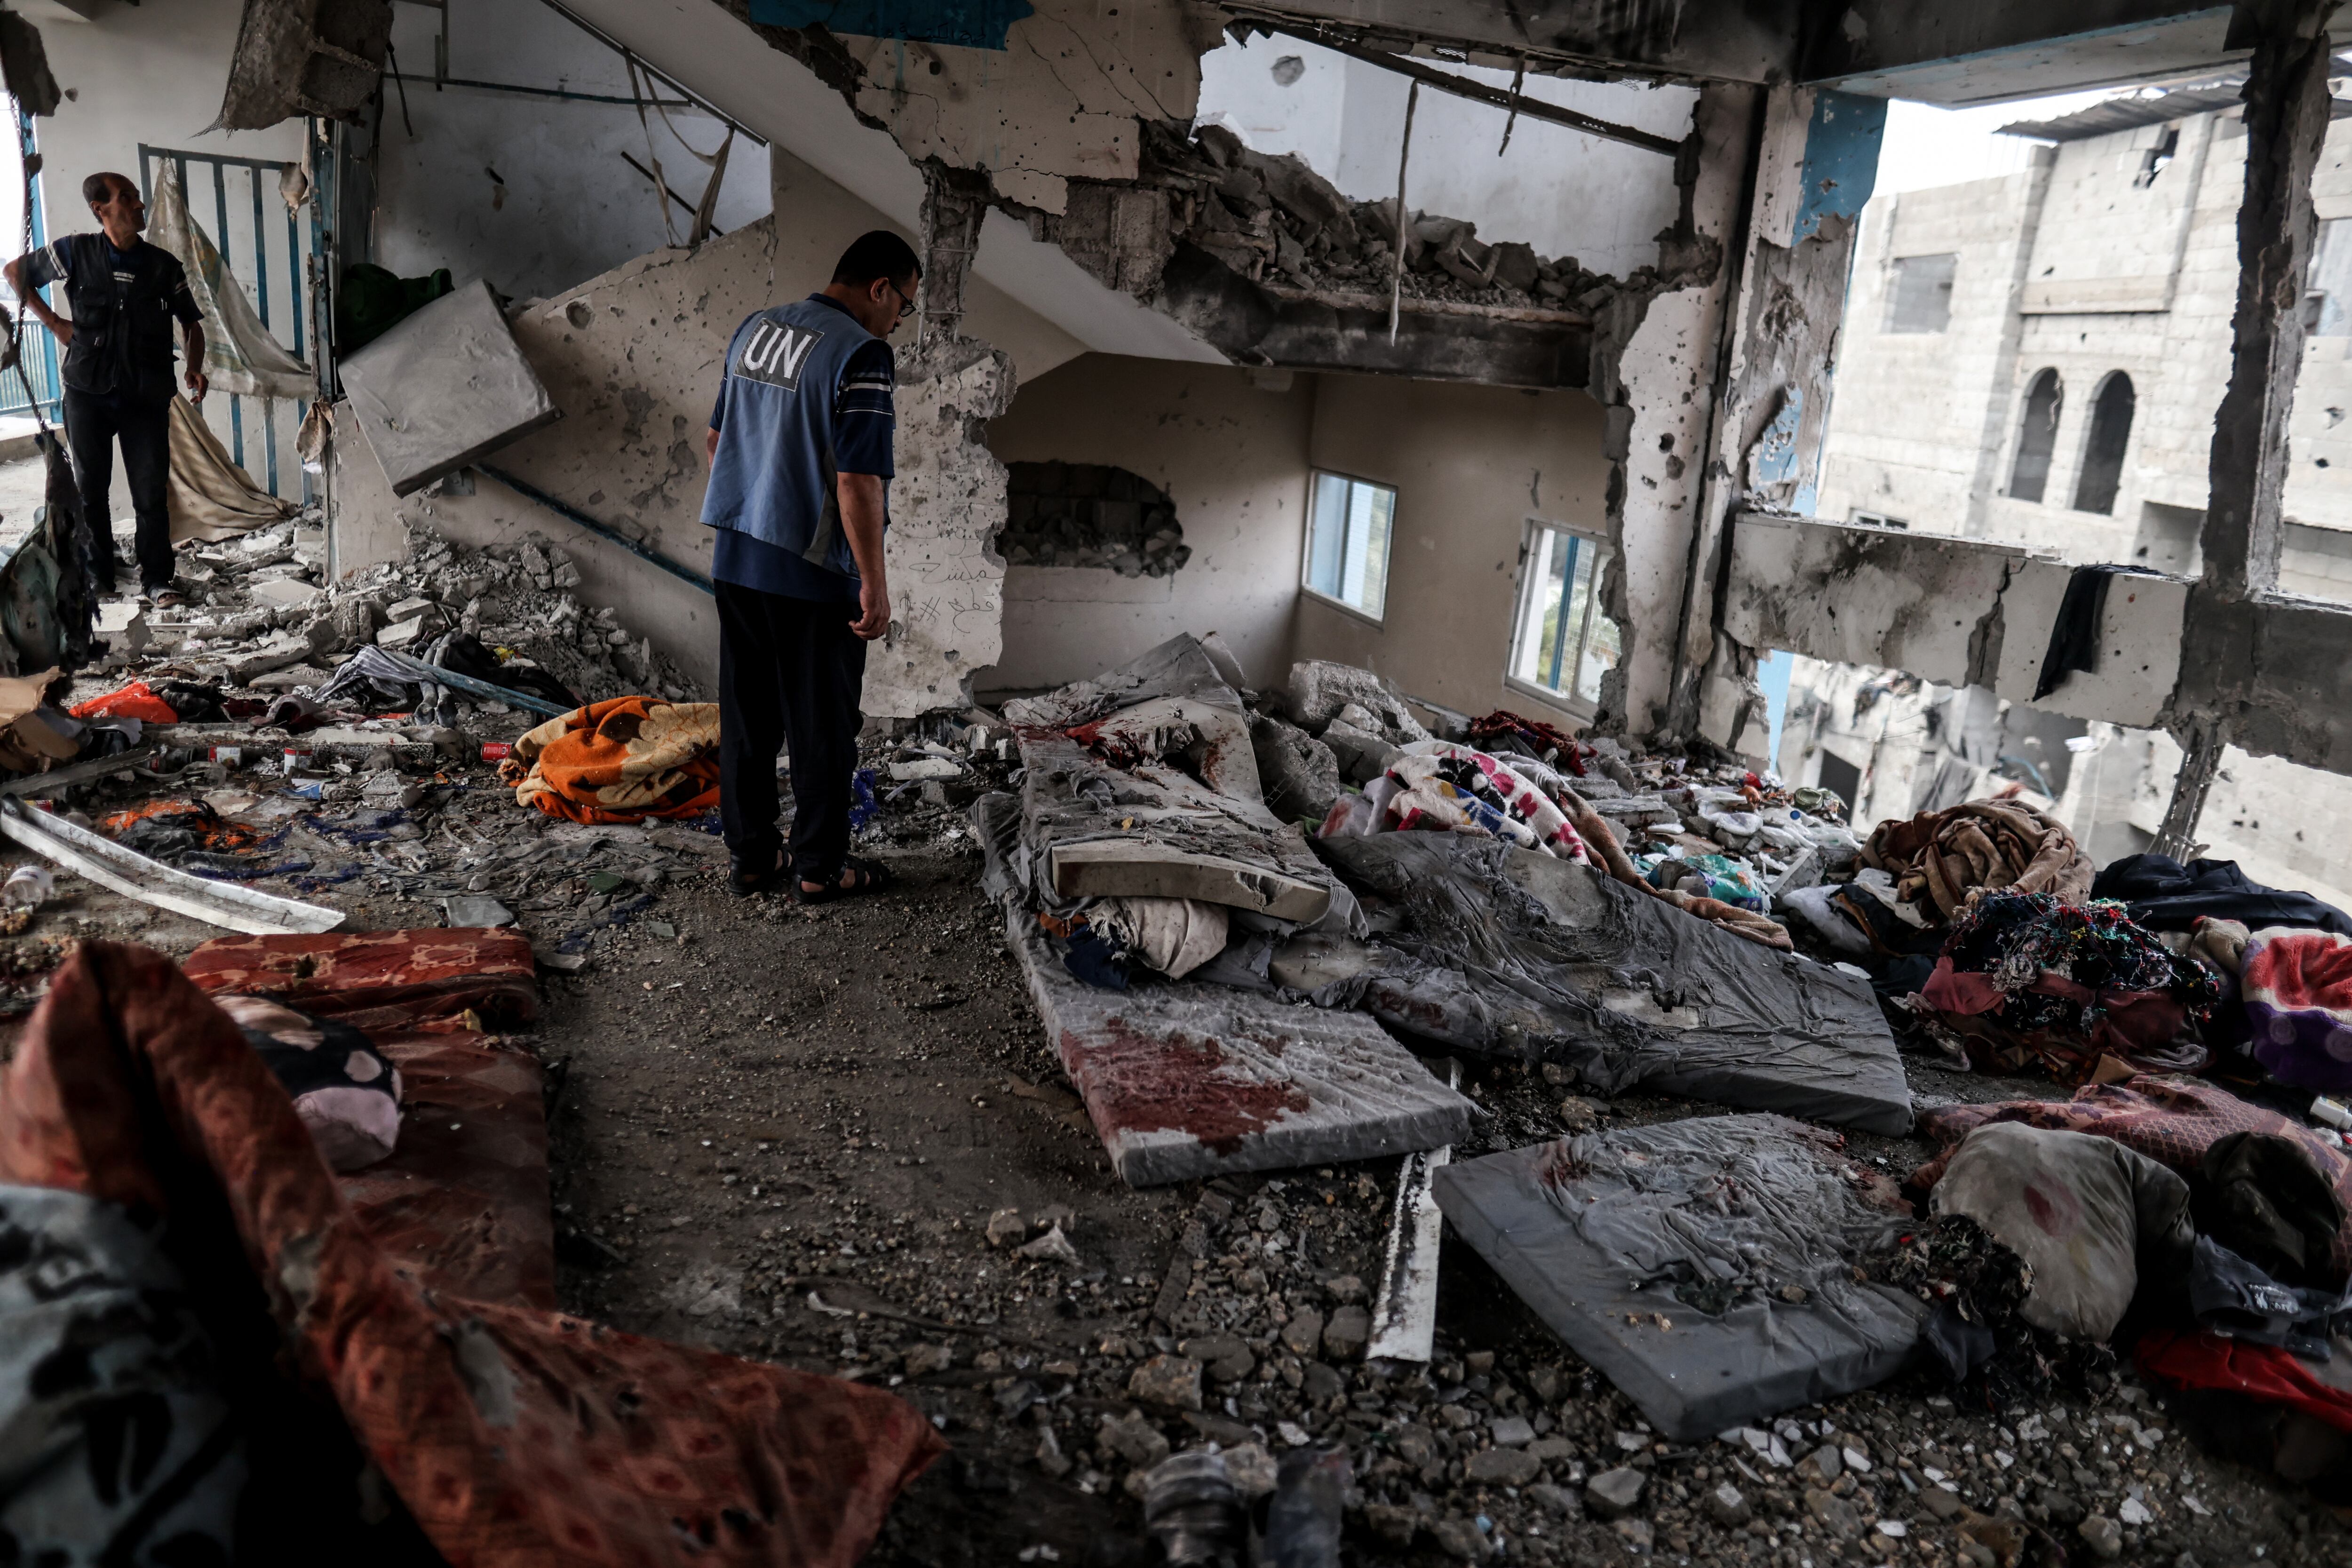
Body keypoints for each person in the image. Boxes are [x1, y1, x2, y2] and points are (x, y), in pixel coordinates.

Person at [702, 229, 917, 902]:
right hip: (813, 572)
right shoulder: (863, 353)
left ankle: (752, 858)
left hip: (737, 556)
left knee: (747, 716)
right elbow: (858, 480)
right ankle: (821, 867)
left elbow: (716, 439)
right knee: (821, 724)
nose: (899, 323)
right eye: (904, 306)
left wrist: (760, 497)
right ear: (879, 289)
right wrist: (873, 586)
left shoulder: (754, 331)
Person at [3, 171, 208, 605]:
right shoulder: (75, 251)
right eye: (127, 197)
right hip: (87, 391)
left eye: (137, 197)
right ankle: (100, 576)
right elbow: (15, 272)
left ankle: (156, 579)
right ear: (101, 210)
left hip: (144, 394)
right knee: (90, 488)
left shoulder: (162, 266)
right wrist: (56, 323)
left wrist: (193, 365)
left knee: (150, 491)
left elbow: (192, 322)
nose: (139, 204)